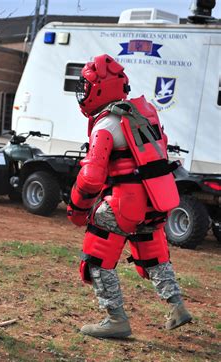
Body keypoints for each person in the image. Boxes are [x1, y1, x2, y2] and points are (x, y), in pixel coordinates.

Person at [67, 54, 192, 338]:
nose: (83, 93)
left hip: (124, 202)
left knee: (97, 258)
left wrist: (77, 207)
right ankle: (177, 307)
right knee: (154, 255)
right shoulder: (145, 114)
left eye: (86, 86)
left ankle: (115, 319)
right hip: (156, 199)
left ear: (99, 88)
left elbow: (91, 177)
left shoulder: (106, 124)